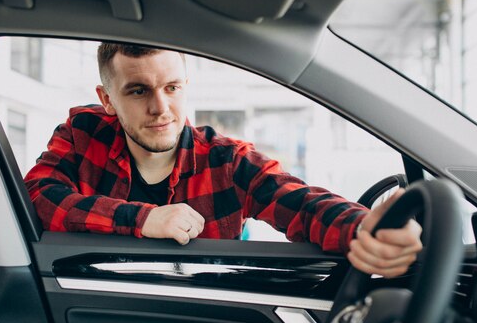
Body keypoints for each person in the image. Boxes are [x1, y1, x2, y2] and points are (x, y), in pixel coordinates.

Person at [24, 42, 422, 278]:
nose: (161, 108)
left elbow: (301, 203)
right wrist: (143, 219)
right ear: (108, 99)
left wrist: (365, 229)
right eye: (139, 91)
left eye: (172, 87)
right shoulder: (83, 132)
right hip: (96, 317)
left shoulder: (227, 161)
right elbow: (38, 198)